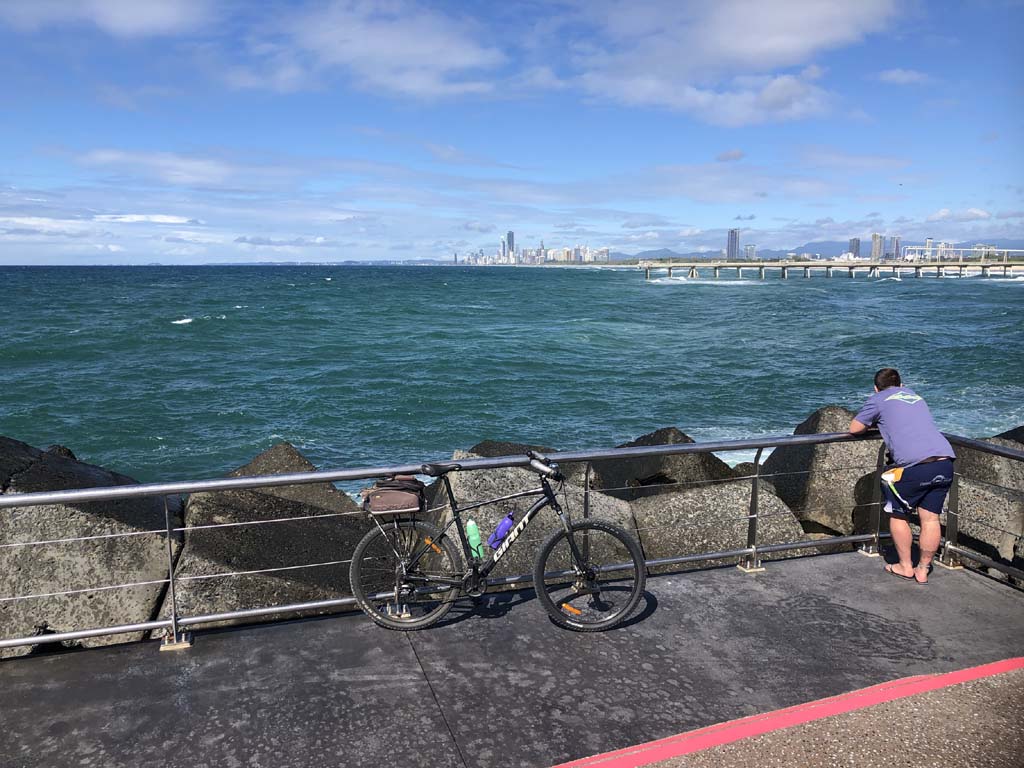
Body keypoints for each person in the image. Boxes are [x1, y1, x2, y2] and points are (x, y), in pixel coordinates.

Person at [849, 368, 955, 584]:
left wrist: (875, 420)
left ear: (876, 388)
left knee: (898, 515)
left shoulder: (878, 398)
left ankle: (905, 566)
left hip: (915, 466)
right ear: (901, 384)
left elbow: (855, 428)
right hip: (944, 462)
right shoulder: (915, 396)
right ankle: (923, 569)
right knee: (931, 519)